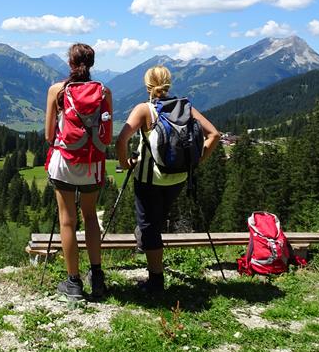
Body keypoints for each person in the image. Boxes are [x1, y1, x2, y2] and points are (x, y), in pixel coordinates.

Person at [116, 65, 220, 293]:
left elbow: (121, 140)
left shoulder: (145, 110)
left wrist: (126, 165)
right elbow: (214, 134)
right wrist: (196, 161)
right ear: (169, 83)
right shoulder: (185, 107)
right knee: (155, 221)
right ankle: (147, 243)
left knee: (149, 226)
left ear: (147, 86)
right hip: (178, 177)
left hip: (149, 178)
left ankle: (156, 281)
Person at [45, 43, 112, 301]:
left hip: (64, 161)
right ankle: (96, 277)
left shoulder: (57, 90)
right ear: (91, 64)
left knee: (67, 220)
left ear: (70, 64)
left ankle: (73, 283)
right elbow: (105, 135)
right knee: (90, 217)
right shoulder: (104, 92)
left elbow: (50, 135)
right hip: (92, 164)